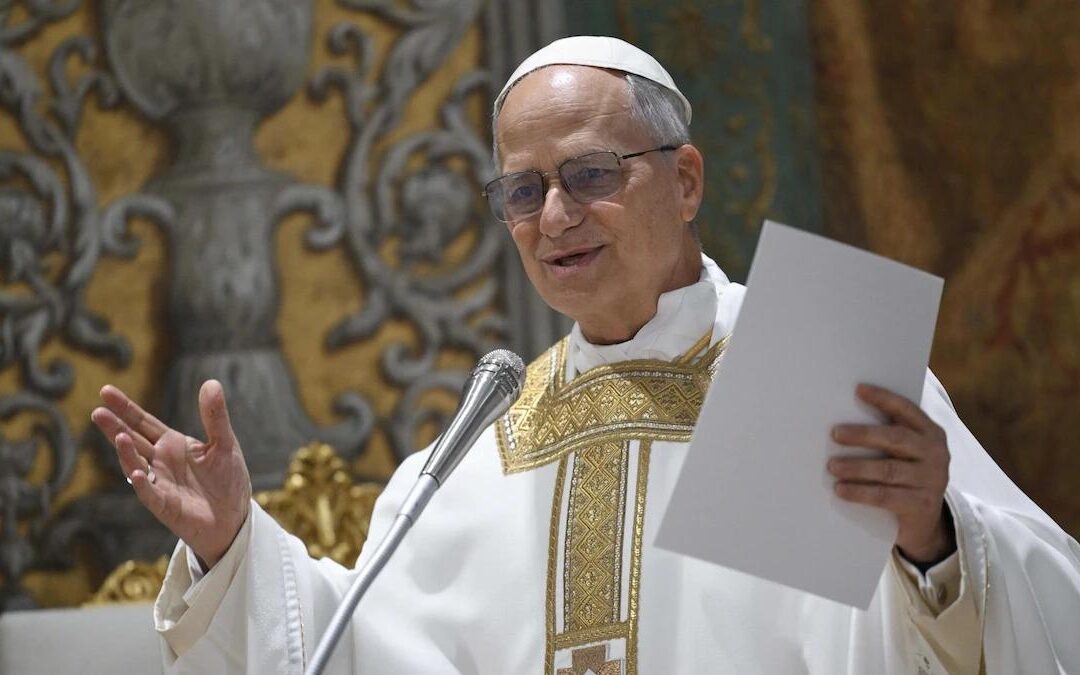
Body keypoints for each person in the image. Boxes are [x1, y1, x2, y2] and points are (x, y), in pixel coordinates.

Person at [91, 36, 1079, 674]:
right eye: (522, 190)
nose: (554, 217)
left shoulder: (819, 374)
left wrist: (932, 539)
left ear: (685, 179)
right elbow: (359, 651)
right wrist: (232, 547)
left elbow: (1043, 604)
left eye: (591, 175)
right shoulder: (487, 444)